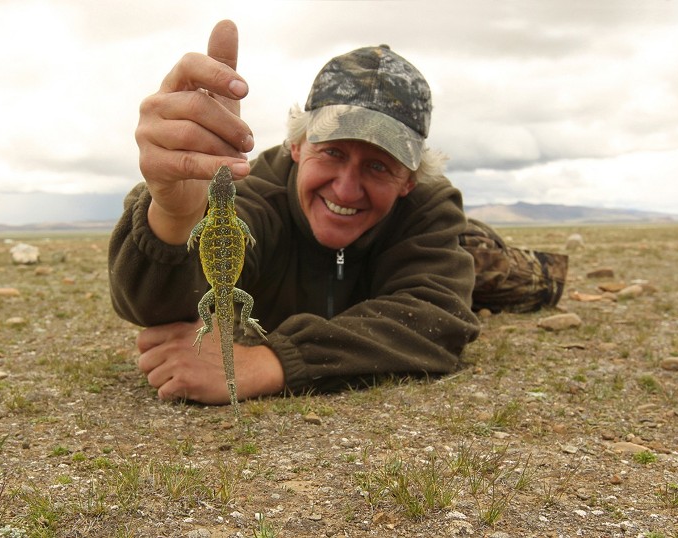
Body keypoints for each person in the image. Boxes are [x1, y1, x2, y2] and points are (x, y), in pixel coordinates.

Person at [108, 20, 562, 405]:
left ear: (410, 180)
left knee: (522, 281)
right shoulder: (255, 195)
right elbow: (158, 303)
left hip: (439, 251)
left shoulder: (429, 207)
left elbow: (438, 316)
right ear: (297, 146)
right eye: (332, 153)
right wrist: (177, 216)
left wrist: (272, 362)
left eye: (379, 166)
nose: (346, 187)